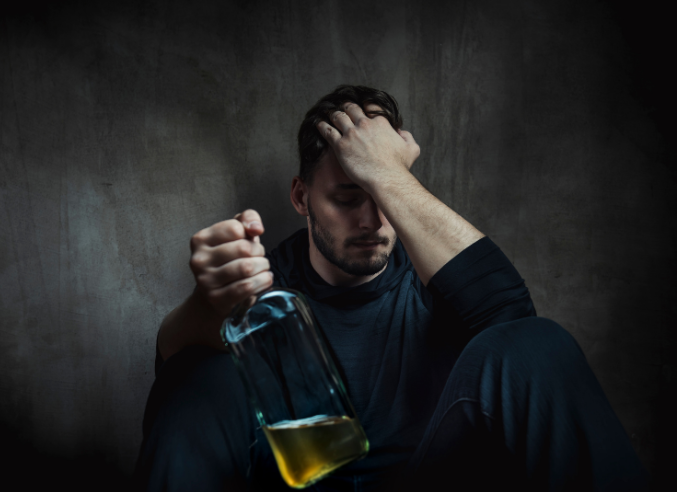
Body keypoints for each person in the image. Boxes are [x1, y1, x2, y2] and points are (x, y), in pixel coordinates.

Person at [133, 85, 648, 491]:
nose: (374, 220)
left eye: (381, 190)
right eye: (348, 195)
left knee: (537, 342)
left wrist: (386, 173)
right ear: (301, 196)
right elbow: (175, 364)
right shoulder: (262, 280)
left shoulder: (437, 274)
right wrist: (207, 301)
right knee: (196, 375)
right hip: (296, 483)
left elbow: (514, 318)